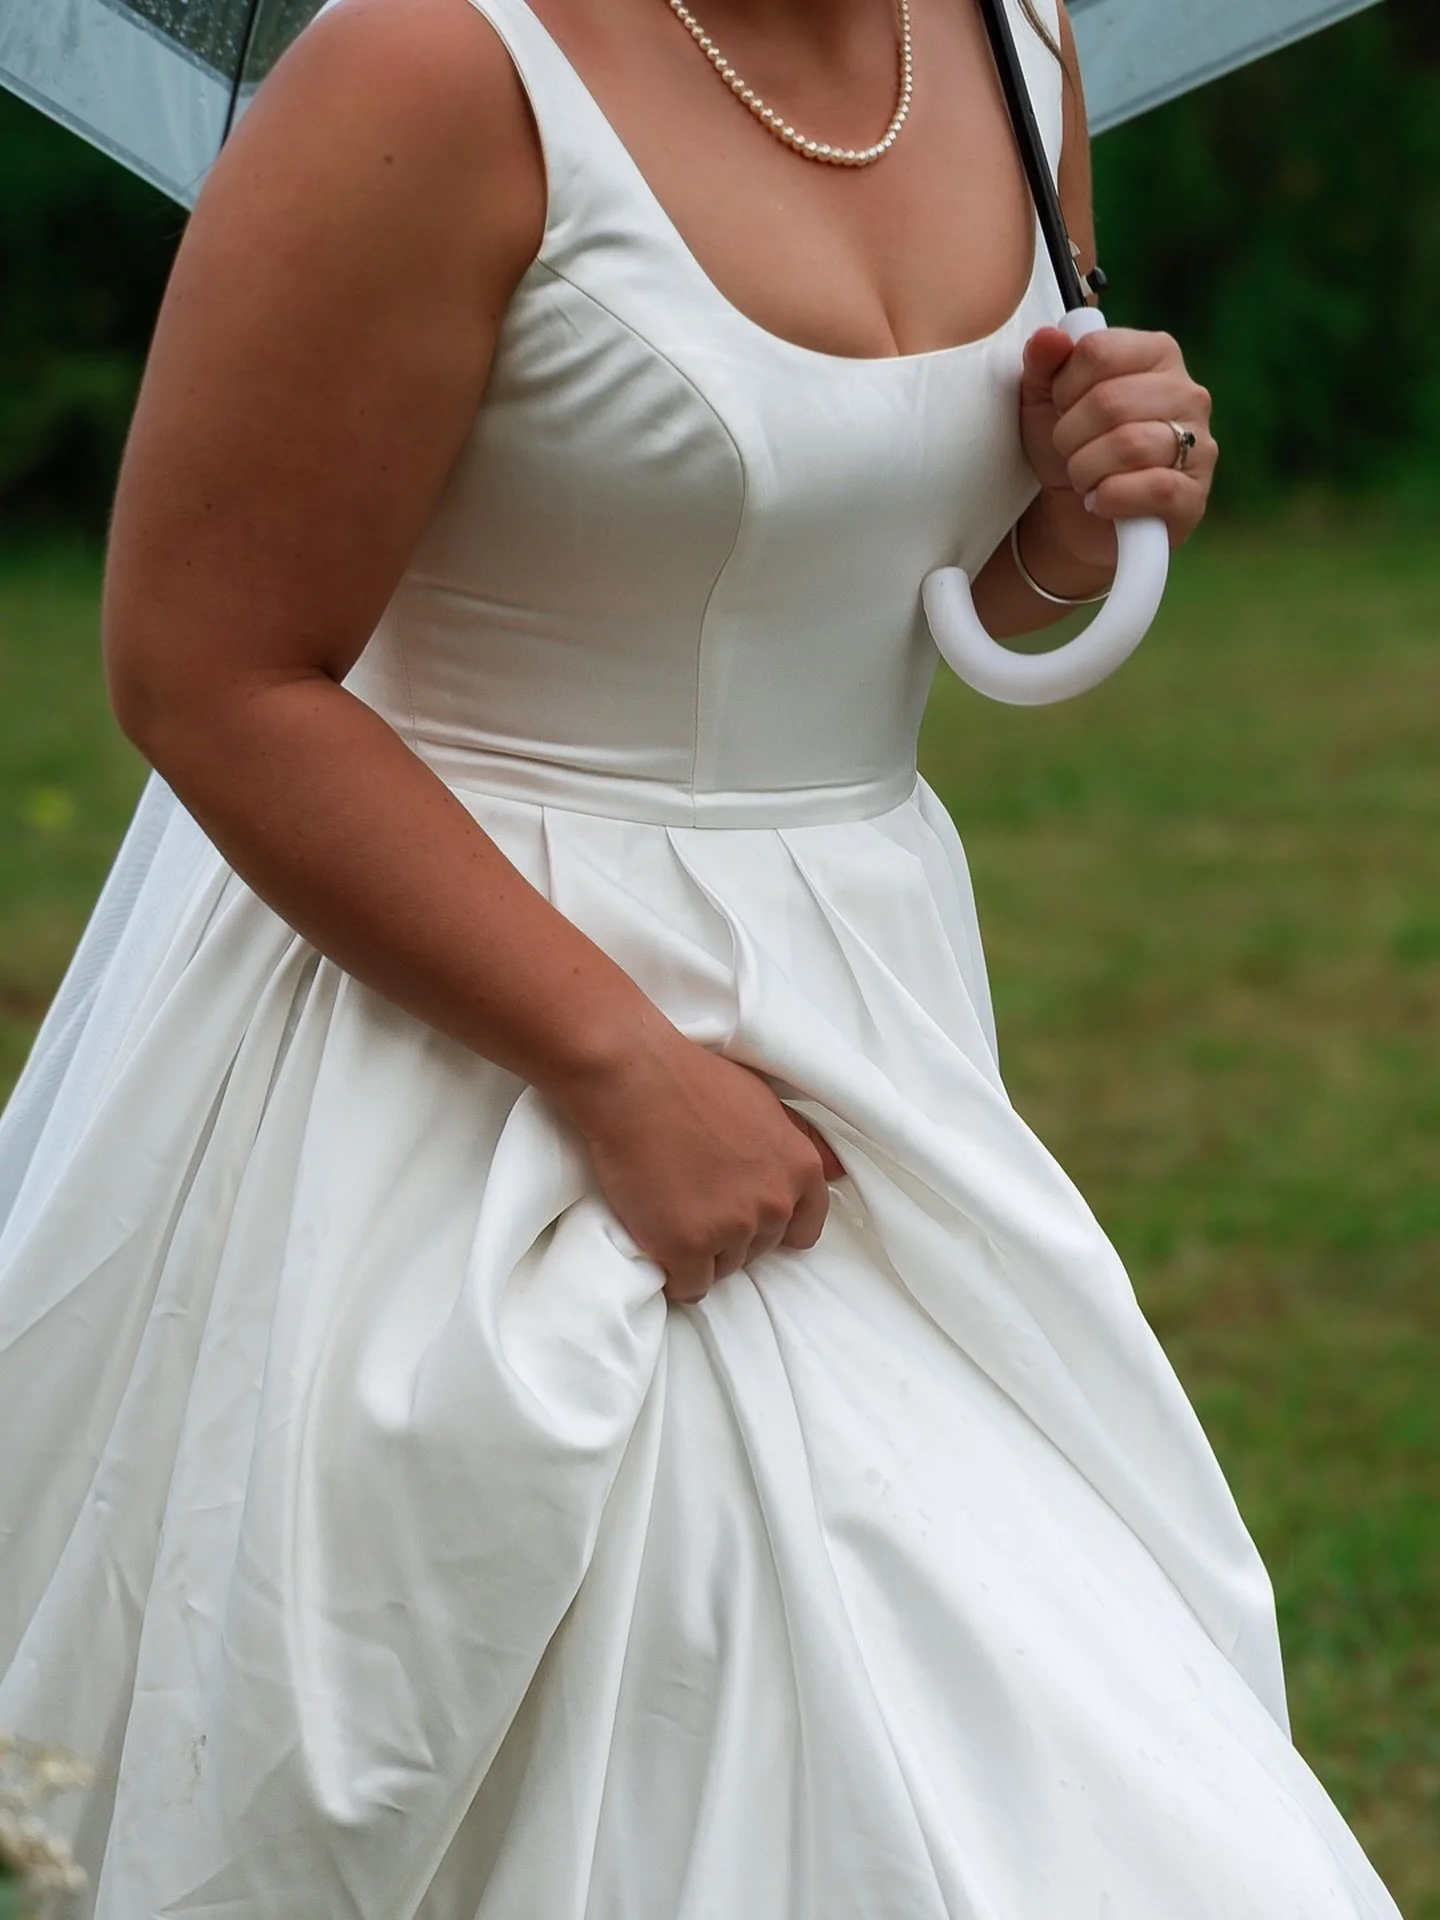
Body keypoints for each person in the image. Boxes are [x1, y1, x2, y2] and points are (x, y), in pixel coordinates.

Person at [0, 0, 1406, 1911]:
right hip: (469, 1057)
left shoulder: (1014, 47)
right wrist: (616, 1067)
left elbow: (900, 598)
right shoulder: (431, 73)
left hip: (876, 1049)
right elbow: (207, 667)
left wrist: (1073, 530)